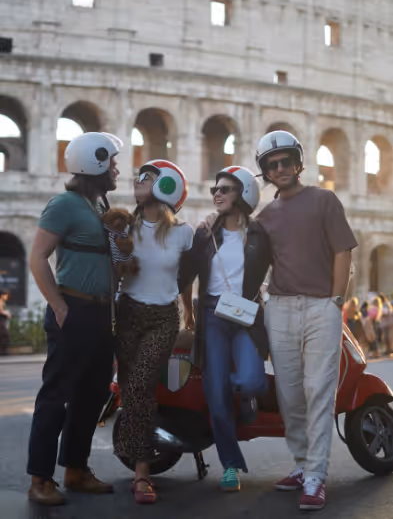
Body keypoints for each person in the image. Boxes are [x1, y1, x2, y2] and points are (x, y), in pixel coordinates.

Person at [255, 130, 357, 511]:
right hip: (280, 307)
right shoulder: (264, 216)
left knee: (319, 390)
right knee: (289, 393)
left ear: (298, 163)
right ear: (265, 171)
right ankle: (301, 464)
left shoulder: (324, 200)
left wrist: (335, 301)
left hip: (321, 307)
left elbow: (342, 251)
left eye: (285, 161)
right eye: (272, 164)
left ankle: (315, 475)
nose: (280, 168)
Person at [27, 132, 122, 506]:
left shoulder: (99, 205)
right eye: (111, 161)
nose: (116, 168)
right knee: (57, 395)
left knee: (94, 394)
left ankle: (76, 469)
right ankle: (40, 478)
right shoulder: (64, 205)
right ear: (94, 164)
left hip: (101, 313)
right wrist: (59, 306)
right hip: (75, 310)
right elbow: (38, 258)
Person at [179, 166, 271, 493]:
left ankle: (241, 397)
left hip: (246, 312)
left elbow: (283, 269)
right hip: (213, 315)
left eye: (226, 189)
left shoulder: (260, 234)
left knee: (252, 380)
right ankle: (231, 464)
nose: (217, 193)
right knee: (214, 393)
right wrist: (188, 311)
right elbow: (184, 276)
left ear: (244, 194)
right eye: (215, 189)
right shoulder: (204, 233)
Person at [114, 159, 193, 505]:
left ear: (167, 187)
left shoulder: (184, 233)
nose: (137, 180)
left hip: (163, 317)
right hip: (128, 312)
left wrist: (189, 311)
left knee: (143, 383)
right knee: (133, 388)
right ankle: (140, 463)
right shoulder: (123, 228)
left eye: (147, 177)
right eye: (139, 176)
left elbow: (187, 276)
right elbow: (114, 269)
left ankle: (142, 472)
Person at [0, 291, 11, 355]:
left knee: (3, 336)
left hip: (2, 321)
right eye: (5, 295)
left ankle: (3, 351)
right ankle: (2, 351)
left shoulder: (2, 302)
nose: (7, 297)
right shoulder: (0, 301)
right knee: (4, 335)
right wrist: (7, 314)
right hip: (1, 321)